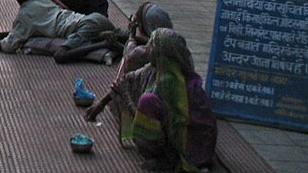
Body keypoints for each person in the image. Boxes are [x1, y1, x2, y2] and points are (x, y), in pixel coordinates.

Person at [86, 28, 217, 172]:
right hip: (186, 140)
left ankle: (165, 160)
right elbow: (127, 80)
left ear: (160, 53)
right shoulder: (156, 70)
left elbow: (153, 122)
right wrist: (100, 104)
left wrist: (126, 95)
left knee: (147, 102)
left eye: (151, 46)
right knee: (143, 98)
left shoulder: (171, 84)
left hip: (191, 149)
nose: (147, 49)